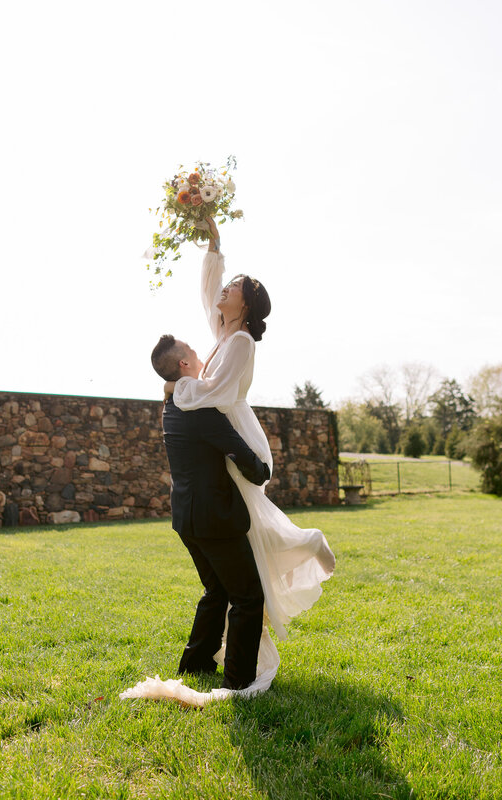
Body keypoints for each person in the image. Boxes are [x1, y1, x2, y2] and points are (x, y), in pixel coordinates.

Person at [164, 217, 336, 689]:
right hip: (219, 437)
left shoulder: (238, 342)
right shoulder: (222, 332)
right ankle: (305, 543)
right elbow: (208, 291)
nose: (225, 291)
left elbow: (216, 395)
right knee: (251, 532)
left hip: (235, 435)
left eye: (233, 287)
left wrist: (182, 388)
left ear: (247, 303)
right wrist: (213, 241)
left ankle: (305, 543)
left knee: (252, 521)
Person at [126, 335, 270, 700]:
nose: (198, 351)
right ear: (185, 365)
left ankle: (194, 664)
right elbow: (238, 451)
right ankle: (238, 682)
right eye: (192, 350)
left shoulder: (173, 403)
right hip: (215, 518)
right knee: (248, 597)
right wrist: (262, 471)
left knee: (216, 590)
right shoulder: (199, 409)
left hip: (187, 517)